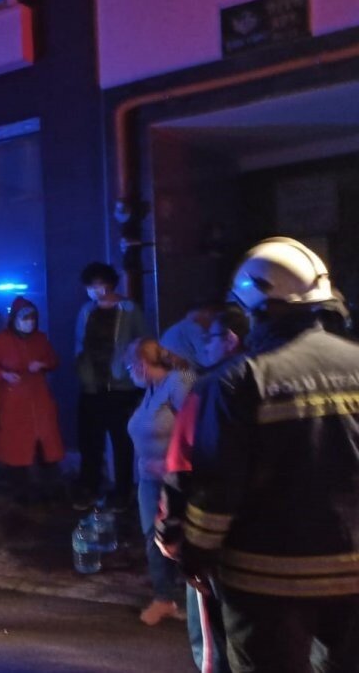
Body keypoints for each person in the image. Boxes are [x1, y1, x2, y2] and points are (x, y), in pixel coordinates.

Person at [182, 238, 359, 672]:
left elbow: (216, 490)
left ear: (253, 309)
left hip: (266, 581)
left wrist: (195, 553)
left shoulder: (234, 381)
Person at [158, 305, 250, 673]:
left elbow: (181, 467)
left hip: (212, 539)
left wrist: (170, 533)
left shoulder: (210, 389)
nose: (203, 347)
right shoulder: (277, 380)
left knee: (214, 642)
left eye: (208, 339)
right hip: (274, 538)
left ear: (230, 340)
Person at [125, 338, 196, 625]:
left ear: (142, 365)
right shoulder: (152, 389)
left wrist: (169, 465)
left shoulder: (178, 382)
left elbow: (194, 431)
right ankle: (164, 598)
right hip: (149, 479)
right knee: (152, 539)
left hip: (174, 480)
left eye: (130, 367)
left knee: (180, 539)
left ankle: (198, 601)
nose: (130, 374)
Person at [74, 262, 148, 511]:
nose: (94, 290)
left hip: (121, 387)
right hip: (91, 386)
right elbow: (79, 343)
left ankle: (122, 491)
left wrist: (135, 376)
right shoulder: (86, 310)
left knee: (121, 442)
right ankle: (90, 487)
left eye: (98, 285)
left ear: (110, 284)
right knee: (89, 442)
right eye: (90, 286)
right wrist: (81, 370)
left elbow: (142, 341)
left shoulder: (129, 309)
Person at [0, 298, 64, 502]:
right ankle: (20, 490)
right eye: (25, 318)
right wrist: (4, 374)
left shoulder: (40, 339)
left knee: (45, 444)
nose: (30, 322)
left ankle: (49, 489)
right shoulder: (0, 340)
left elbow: (53, 360)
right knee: (16, 446)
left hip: (38, 397)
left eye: (33, 318)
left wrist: (42, 364)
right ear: (15, 319)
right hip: (13, 399)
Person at [160, 301, 221, 370]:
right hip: (181, 372)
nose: (212, 320)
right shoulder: (192, 327)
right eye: (212, 315)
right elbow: (207, 361)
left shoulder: (178, 327)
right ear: (204, 313)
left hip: (170, 371)